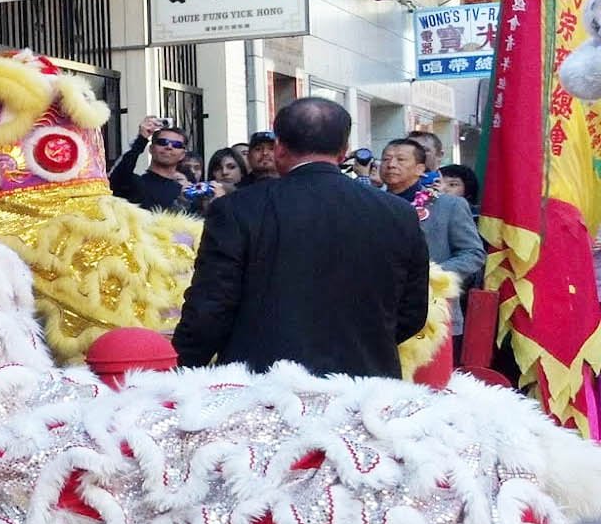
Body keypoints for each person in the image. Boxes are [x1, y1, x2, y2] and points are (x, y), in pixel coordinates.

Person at [172, 98, 430, 377]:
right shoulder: (398, 213)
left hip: (263, 384)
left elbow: (211, 306)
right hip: (365, 385)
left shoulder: (238, 209)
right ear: (343, 152)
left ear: (280, 148)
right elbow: (412, 311)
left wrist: (184, 367)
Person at [380, 139, 485, 349]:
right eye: (385, 159)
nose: (391, 164)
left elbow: (473, 254)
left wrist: (431, 274)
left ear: (420, 168)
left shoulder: (448, 205)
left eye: (400, 159)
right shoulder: (369, 203)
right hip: (380, 313)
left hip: (433, 313)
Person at [109, 117, 219, 214]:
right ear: (151, 149)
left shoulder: (187, 191)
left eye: (176, 145)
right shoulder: (134, 183)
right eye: (162, 142)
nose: (169, 147)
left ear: (182, 155)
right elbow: (118, 175)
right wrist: (141, 139)